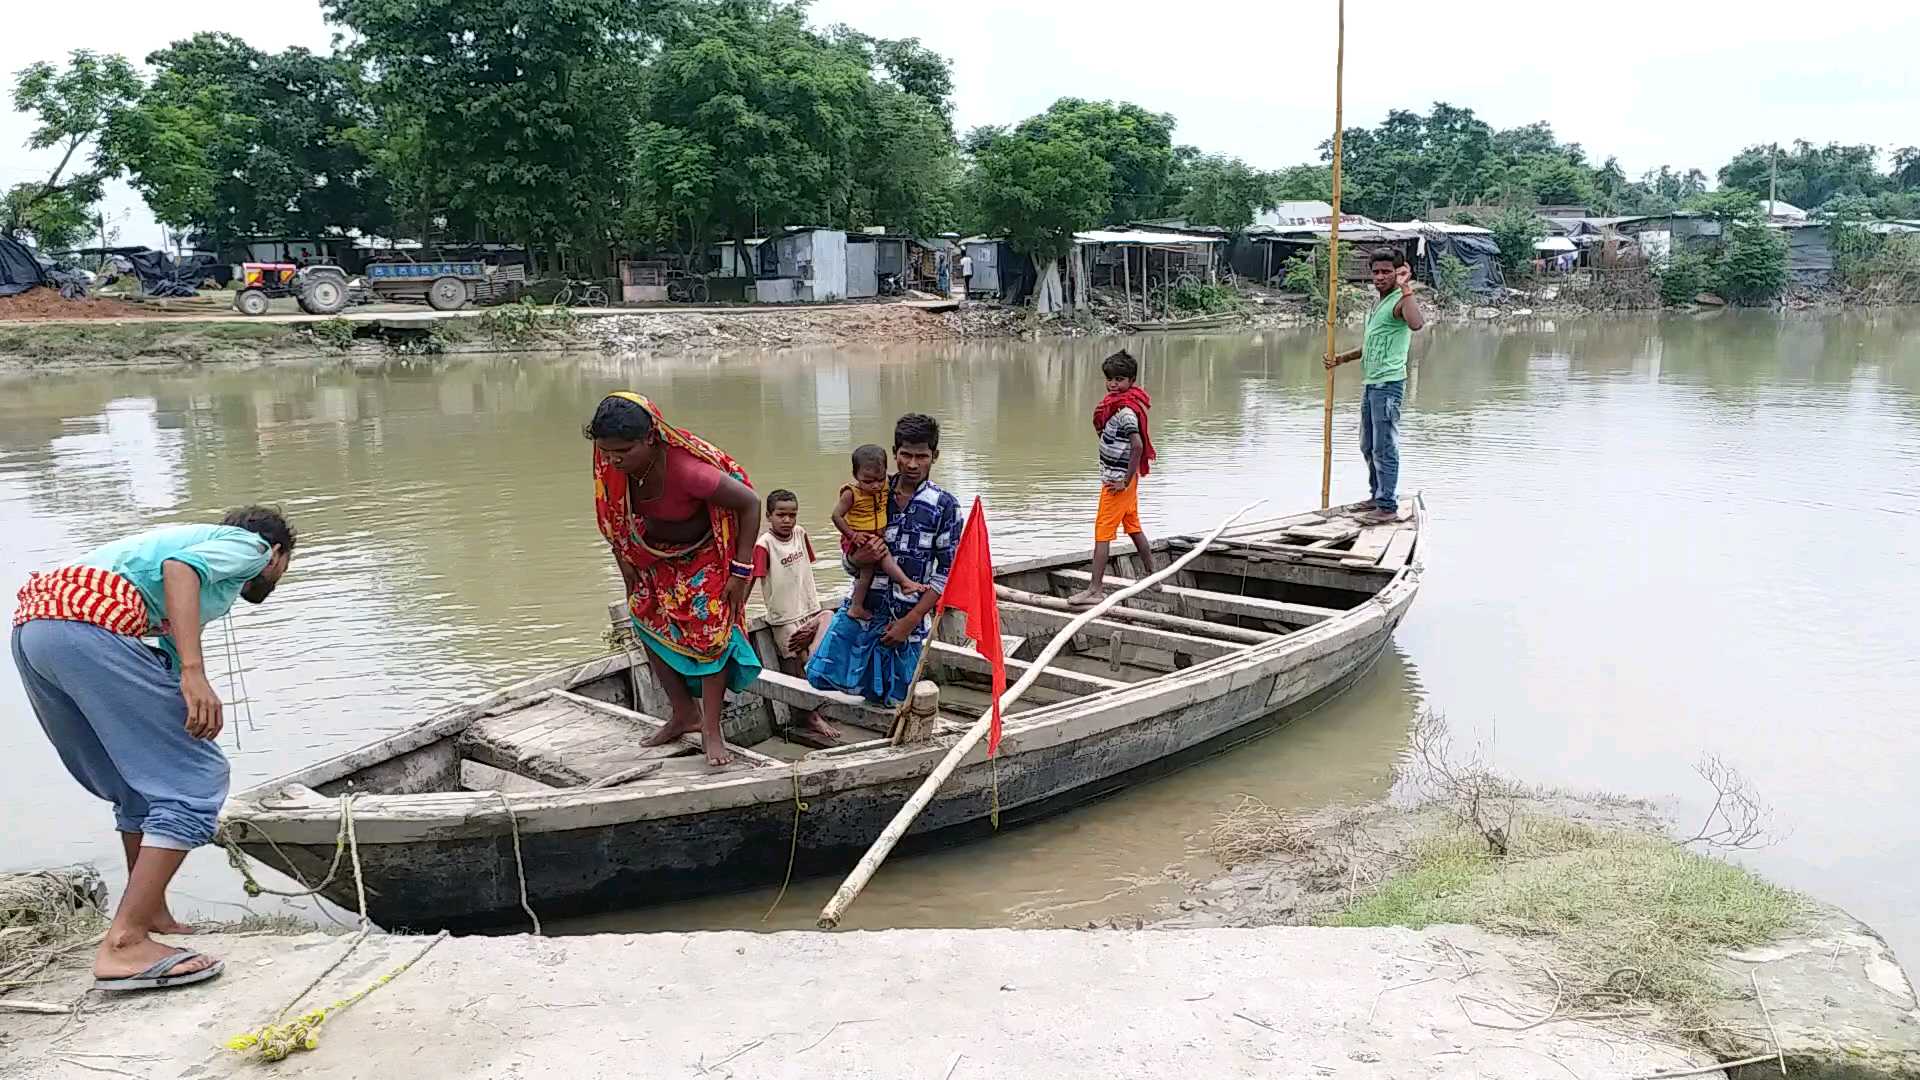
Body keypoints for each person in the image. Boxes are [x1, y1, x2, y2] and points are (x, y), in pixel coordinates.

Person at [10, 506, 296, 992]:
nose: (278, 574)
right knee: (192, 780)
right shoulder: (247, 547)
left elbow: (167, 615)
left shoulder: (182, 555)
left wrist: (177, 680)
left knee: (135, 784)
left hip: (37, 630)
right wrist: (193, 672)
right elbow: (180, 571)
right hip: (85, 627)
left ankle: (151, 910)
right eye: (286, 566)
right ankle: (126, 942)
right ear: (277, 555)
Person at [587, 392, 763, 767]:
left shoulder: (687, 471)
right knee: (643, 617)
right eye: (607, 452)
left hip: (705, 556)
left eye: (623, 452)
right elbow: (616, 523)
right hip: (654, 556)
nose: (614, 461)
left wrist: (740, 570)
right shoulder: (612, 467)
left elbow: (750, 503)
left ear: (650, 438)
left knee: (710, 637)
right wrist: (627, 568)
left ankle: (712, 728)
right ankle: (684, 713)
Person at [806, 413, 961, 707]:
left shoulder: (945, 506)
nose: (912, 464)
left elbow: (948, 573)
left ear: (935, 456)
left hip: (909, 620)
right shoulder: (871, 491)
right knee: (832, 683)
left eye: (922, 456)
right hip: (865, 610)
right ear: (894, 454)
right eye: (905, 455)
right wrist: (855, 557)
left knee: (901, 702)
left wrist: (910, 620)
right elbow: (849, 561)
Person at [1325, 249, 1425, 524]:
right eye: (1376, 272)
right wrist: (1341, 359)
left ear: (1398, 272)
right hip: (1371, 383)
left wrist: (1406, 288)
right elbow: (1372, 345)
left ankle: (1387, 507)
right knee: (1368, 445)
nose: (1380, 277)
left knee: (1385, 446)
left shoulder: (1399, 302)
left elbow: (1417, 324)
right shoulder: (1378, 305)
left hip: (1388, 385)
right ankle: (1377, 495)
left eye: (1386, 272)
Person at [1068, 349, 1157, 607]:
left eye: (1119, 379)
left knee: (1102, 534)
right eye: (1110, 379)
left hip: (1117, 484)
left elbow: (1138, 446)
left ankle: (1095, 589)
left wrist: (1125, 481)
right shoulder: (1115, 405)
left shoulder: (1125, 411)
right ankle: (1154, 575)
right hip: (1124, 481)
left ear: (1130, 381)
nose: (1113, 384)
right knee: (1133, 527)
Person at [750, 489, 839, 743]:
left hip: (809, 607)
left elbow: (806, 567)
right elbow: (753, 578)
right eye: (781, 515)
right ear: (769, 516)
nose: (787, 520)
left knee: (816, 654)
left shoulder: (800, 534)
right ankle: (806, 713)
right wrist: (738, 609)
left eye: (792, 515)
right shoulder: (763, 545)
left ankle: (815, 709)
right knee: (795, 663)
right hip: (784, 615)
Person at [830, 444, 928, 622]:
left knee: (870, 567)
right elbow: (836, 516)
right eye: (868, 481)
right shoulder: (851, 493)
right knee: (877, 559)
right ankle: (902, 583)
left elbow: (895, 481)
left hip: (874, 534)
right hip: (858, 536)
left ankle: (857, 605)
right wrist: (853, 535)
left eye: (879, 479)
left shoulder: (887, 485)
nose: (875, 485)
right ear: (855, 476)